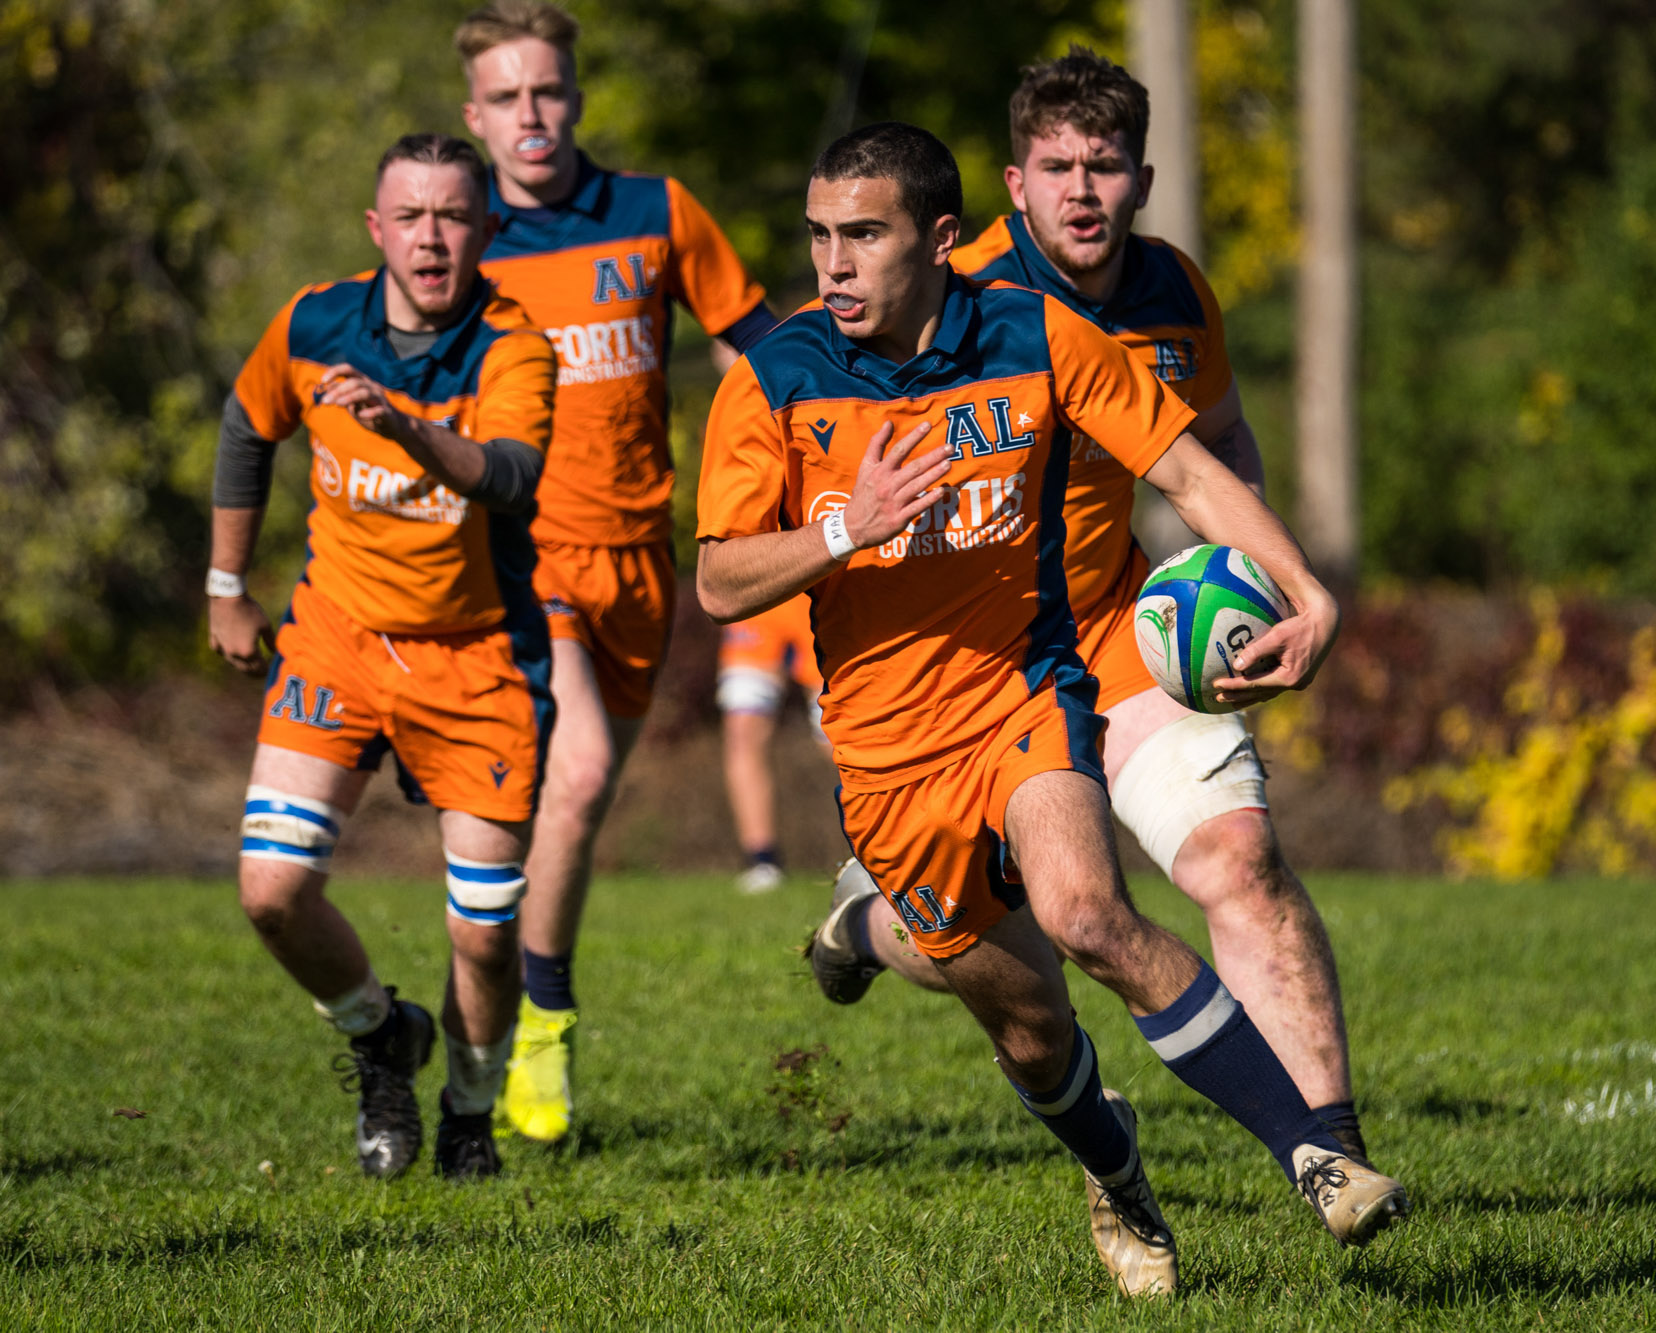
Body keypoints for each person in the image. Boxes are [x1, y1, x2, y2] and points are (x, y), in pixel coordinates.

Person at [697, 121, 1398, 1298]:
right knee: (1029, 1031)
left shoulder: (1035, 334)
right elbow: (717, 579)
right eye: (818, 236)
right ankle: (1117, 1171)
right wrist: (840, 531)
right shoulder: (777, 375)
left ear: (936, 240)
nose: (831, 264)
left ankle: (1316, 1158)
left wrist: (1309, 591)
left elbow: (1183, 467)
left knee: (1086, 912)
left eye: (860, 236)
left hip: (1026, 690)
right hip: (881, 753)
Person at [455, 0, 779, 1143]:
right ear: (474, 116)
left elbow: (755, 346)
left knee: (572, 815)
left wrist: (805, 459)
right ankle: (539, 1015)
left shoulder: (655, 211)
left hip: (643, 564)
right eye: (506, 97)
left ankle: (509, 1017)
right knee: (579, 773)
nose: (530, 115)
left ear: (576, 98)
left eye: (546, 91)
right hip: (519, 555)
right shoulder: (459, 231)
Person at [207, 133, 557, 1180]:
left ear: (486, 230)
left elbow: (508, 476)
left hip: (479, 655)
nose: (431, 236)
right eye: (410, 216)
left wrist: (404, 426)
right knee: (270, 889)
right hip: (339, 639)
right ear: (377, 230)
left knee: (487, 937)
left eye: (453, 215)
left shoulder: (512, 343)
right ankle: (380, 1036)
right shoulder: (315, 321)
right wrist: (227, 583)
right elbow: (244, 421)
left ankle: (467, 1110)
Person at [716, 594, 828, 893]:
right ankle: (762, 861)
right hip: (761, 593)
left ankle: (876, 852)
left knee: (838, 741)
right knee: (742, 730)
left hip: (820, 588)